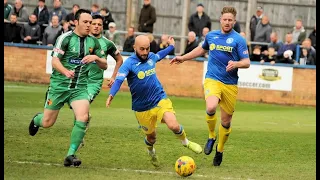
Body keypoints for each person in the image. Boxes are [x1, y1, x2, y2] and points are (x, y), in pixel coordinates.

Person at [170, 6, 250, 166]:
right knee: (211, 107)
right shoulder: (211, 36)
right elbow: (201, 49)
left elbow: (247, 62)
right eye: (225, 19)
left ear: (234, 21)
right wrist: (183, 58)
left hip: (230, 84)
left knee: (226, 122)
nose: (227, 22)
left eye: (230, 20)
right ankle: (211, 136)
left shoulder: (239, 40)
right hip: (212, 79)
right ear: (220, 20)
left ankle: (219, 150)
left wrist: (236, 64)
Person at [106, 35, 203, 167]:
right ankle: (151, 152)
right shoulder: (129, 64)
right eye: (142, 49)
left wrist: (171, 47)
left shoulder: (151, 56)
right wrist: (111, 94)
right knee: (152, 138)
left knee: (173, 125)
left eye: (147, 49)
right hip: (142, 108)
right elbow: (118, 80)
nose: (145, 52)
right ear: (134, 48)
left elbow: (160, 55)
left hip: (159, 99)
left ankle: (186, 142)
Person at [28, 9, 108, 167]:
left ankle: (70, 154)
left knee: (83, 117)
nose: (88, 25)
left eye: (90, 23)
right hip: (59, 87)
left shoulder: (94, 42)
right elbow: (55, 61)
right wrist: (65, 71)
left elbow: (104, 65)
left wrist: (96, 58)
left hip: (79, 88)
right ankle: (37, 119)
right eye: (85, 22)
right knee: (48, 122)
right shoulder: (64, 38)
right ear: (76, 22)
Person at [74, 14, 124, 150]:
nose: (96, 26)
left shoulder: (107, 43)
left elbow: (119, 60)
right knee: (77, 108)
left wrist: (114, 77)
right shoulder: (80, 39)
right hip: (79, 80)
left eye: (99, 25)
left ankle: (77, 139)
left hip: (94, 82)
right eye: (94, 24)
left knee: (81, 105)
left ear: (103, 27)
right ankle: (85, 120)